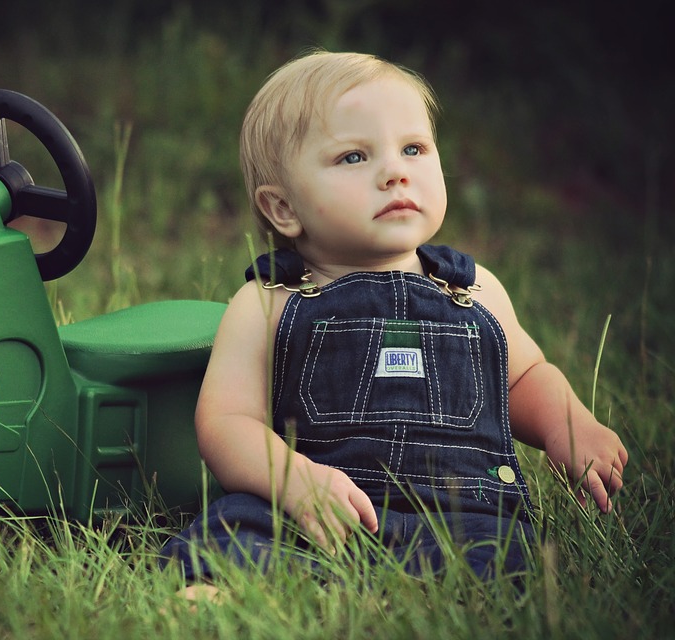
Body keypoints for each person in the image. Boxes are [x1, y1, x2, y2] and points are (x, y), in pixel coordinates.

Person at [160, 49, 628, 592]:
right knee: (236, 531)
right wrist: (294, 481)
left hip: (463, 513)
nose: (395, 173)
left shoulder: (471, 289)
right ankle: (222, 591)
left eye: (413, 148)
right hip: (315, 510)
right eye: (354, 158)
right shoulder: (271, 299)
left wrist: (567, 427)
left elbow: (522, 377)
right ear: (283, 207)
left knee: (510, 559)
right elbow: (226, 421)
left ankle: (435, 598)